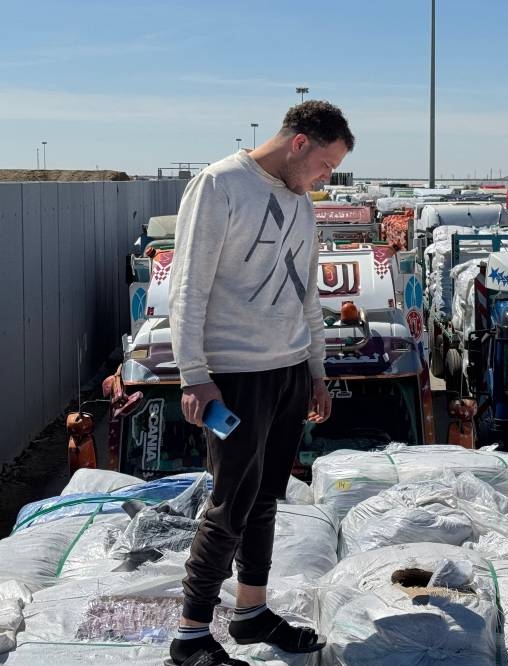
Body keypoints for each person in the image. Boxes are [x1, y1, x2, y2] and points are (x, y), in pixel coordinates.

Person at [167, 101, 354, 666]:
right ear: (298, 143)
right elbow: (188, 289)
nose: (325, 180)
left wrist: (318, 373)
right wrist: (195, 377)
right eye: (325, 166)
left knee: (266, 499)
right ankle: (191, 634)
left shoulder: (300, 203)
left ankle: (251, 613)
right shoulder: (219, 185)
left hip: (289, 372)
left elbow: (308, 297)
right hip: (236, 376)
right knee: (229, 504)